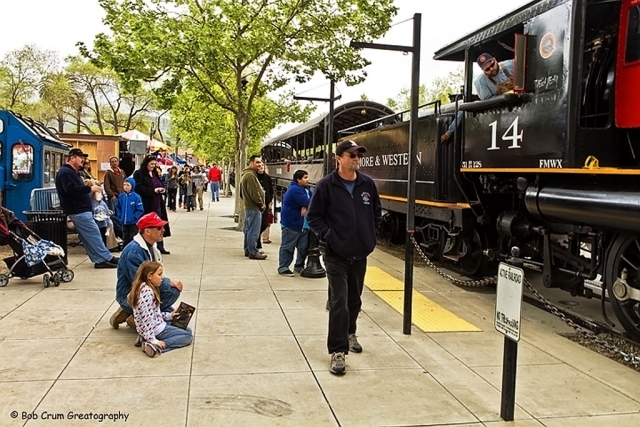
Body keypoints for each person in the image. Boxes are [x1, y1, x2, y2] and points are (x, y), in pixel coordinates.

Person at [307, 140, 381, 375]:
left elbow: (376, 213)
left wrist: (371, 236)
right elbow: (314, 217)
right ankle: (338, 352)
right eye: (351, 155)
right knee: (339, 301)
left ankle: (350, 333)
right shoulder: (326, 186)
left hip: (360, 253)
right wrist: (330, 237)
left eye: (358, 155)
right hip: (335, 254)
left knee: (354, 300)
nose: (356, 159)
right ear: (338, 158)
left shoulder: (367, 184)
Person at [109, 212, 184, 330]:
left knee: (171, 310)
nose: (163, 230)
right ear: (147, 231)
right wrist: (168, 282)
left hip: (139, 292)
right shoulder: (134, 251)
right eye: (159, 228)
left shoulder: (150, 246)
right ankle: (135, 315)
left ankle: (132, 314)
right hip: (130, 295)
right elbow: (140, 281)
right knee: (171, 291)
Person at [55, 148, 119, 269]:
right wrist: (90, 189)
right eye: (81, 158)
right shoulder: (66, 172)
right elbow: (71, 190)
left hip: (80, 209)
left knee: (89, 236)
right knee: (93, 233)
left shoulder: (73, 172)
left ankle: (99, 259)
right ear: (72, 158)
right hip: (77, 210)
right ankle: (106, 258)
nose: (83, 160)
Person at [441, 53, 514, 143]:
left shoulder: (512, 64)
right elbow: (489, 101)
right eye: (487, 69)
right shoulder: (480, 82)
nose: (491, 69)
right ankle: (450, 131)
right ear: (483, 71)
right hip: (498, 104)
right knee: (463, 108)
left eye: (492, 65)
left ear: (495, 60)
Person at [128, 261, 193, 357]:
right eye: (159, 274)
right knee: (188, 336)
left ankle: (144, 339)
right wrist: (153, 339)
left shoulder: (145, 288)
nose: (162, 277)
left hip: (157, 325)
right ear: (150, 276)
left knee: (188, 330)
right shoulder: (146, 292)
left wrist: (170, 315)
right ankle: (156, 347)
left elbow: (154, 314)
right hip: (157, 329)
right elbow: (147, 318)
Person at [133, 155, 171, 255]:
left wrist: (162, 189)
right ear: (146, 163)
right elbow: (138, 188)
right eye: (151, 164)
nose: (153, 166)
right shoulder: (139, 174)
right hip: (147, 203)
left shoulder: (155, 173)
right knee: (148, 226)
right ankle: (146, 245)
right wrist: (153, 190)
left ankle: (160, 246)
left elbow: (159, 184)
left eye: (154, 164)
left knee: (159, 225)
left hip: (157, 203)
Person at [278, 169, 312, 277]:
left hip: (303, 225)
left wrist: (305, 205)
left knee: (303, 247)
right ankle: (283, 267)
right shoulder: (294, 190)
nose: (308, 180)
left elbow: (313, 200)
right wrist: (306, 204)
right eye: (305, 177)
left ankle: (299, 266)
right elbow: (310, 202)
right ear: (298, 179)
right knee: (288, 247)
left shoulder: (305, 189)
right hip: (292, 224)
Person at [239, 155, 267, 260]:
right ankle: (253, 251)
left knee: (248, 229)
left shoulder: (248, 174)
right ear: (251, 163)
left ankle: (248, 249)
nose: (260, 165)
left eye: (261, 162)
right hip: (254, 207)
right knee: (253, 231)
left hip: (250, 207)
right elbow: (254, 193)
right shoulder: (250, 176)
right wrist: (261, 204)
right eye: (257, 162)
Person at [116, 177, 144, 247]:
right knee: (125, 237)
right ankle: (125, 250)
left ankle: (133, 250)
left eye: (128, 185)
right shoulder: (121, 196)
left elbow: (140, 209)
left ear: (132, 186)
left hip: (133, 223)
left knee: (133, 237)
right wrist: (120, 215)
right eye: (124, 185)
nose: (126, 187)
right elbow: (117, 207)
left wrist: (134, 217)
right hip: (124, 222)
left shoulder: (137, 197)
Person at [256, 163, 273, 253]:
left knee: (264, 224)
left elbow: (271, 191)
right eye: (259, 166)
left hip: (265, 204)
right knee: (257, 225)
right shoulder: (254, 177)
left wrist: (270, 201)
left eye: (262, 166)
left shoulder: (267, 178)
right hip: (256, 205)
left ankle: (256, 240)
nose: (261, 167)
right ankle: (257, 245)